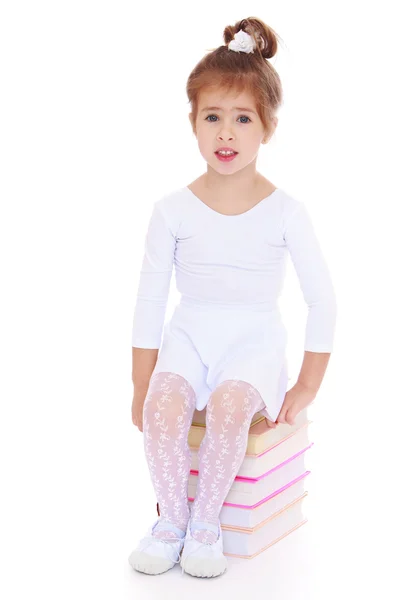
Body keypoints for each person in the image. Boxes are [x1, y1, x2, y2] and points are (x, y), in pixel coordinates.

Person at [128, 17, 337, 578]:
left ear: (267, 127)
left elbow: (322, 301)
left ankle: (207, 526)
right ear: (192, 123)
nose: (226, 133)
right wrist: (140, 384)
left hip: (253, 341)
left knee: (226, 408)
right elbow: (150, 301)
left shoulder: (286, 211)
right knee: (166, 407)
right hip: (190, 334)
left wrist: (308, 383)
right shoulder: (171, 209)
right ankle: (171, 519)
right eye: (213, 117)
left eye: (242, 119)